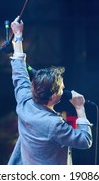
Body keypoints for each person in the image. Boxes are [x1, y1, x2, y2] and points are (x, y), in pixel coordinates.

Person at [8, 16, 92, 165]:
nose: (64, 89)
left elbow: (19, 71)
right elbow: (84, 141)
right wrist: (80, 108)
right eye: (61, 88)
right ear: (54, 95)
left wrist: (18, 37)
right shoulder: (54, 124)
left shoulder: (25, 102)